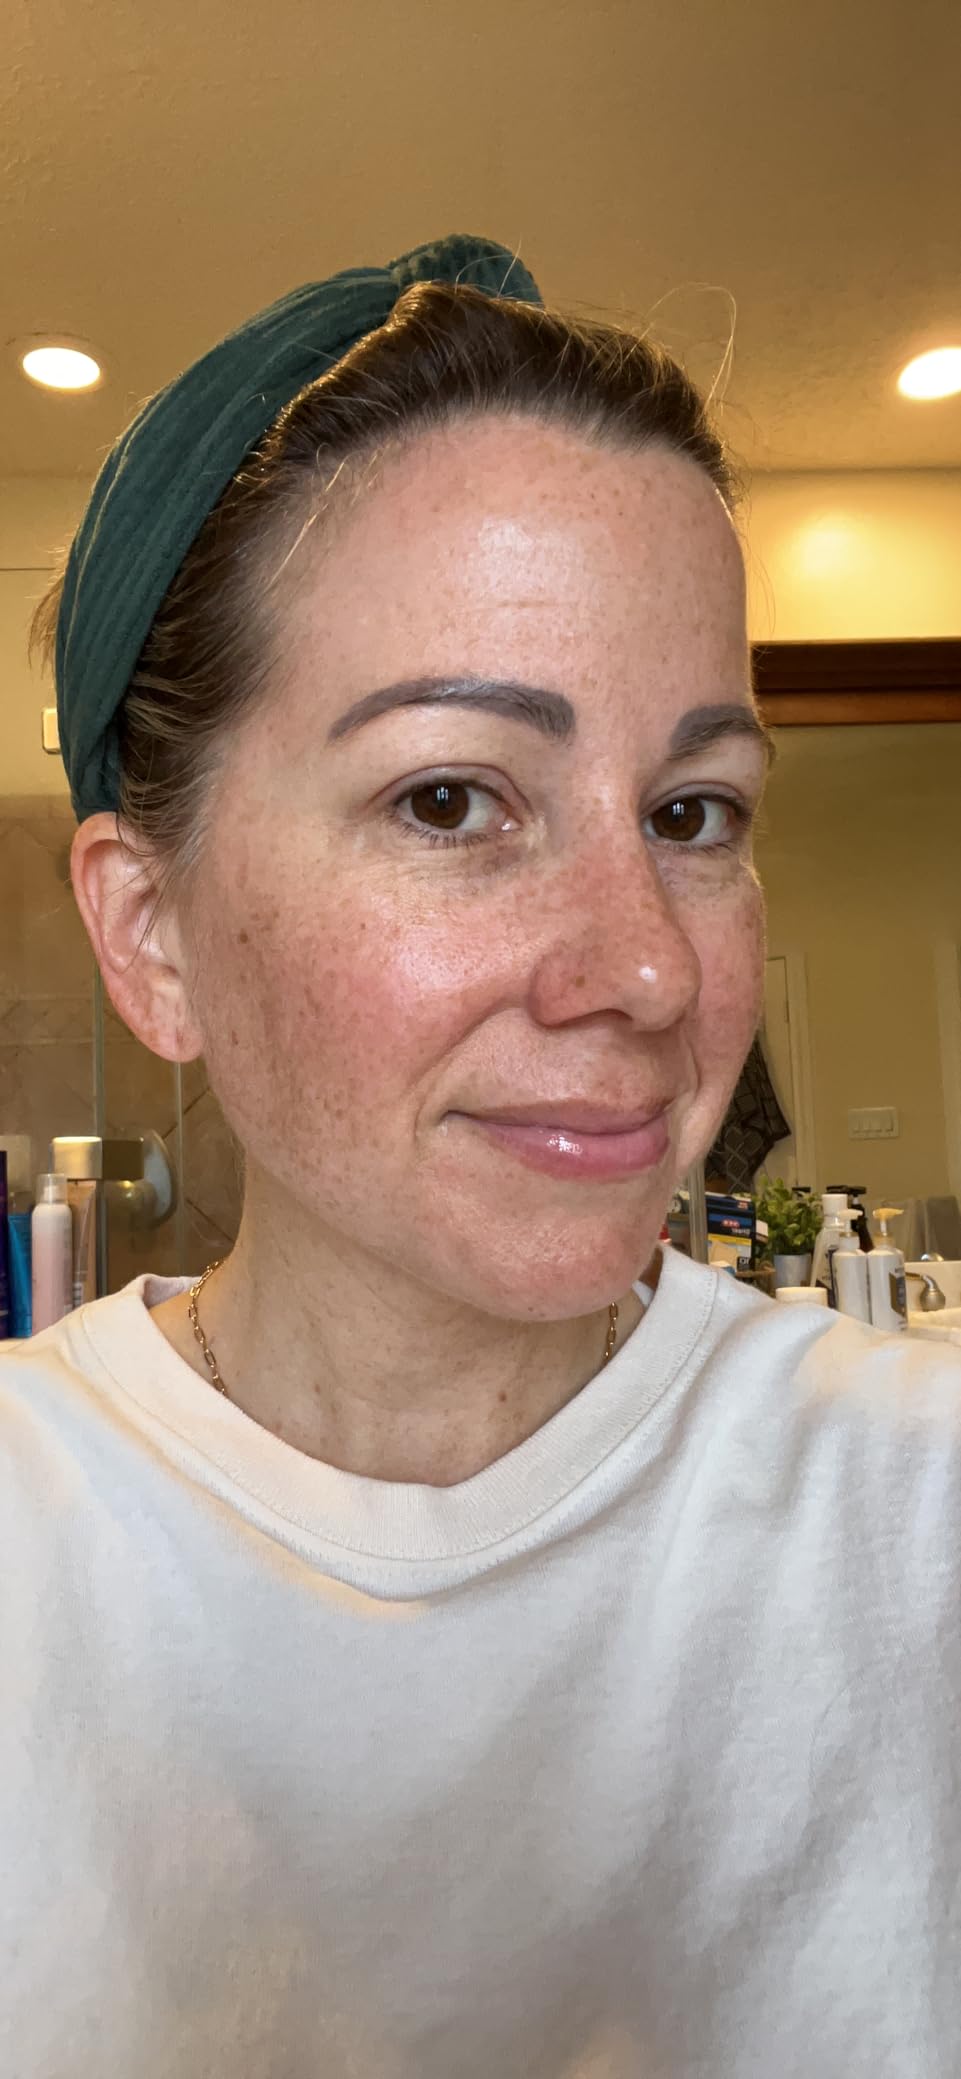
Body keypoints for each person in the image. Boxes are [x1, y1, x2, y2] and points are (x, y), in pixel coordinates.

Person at [3, 231, 959, 2077]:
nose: (647, 969)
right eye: (450, 799)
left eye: (692, 812)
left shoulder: (915, 1523)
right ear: (151, 934)